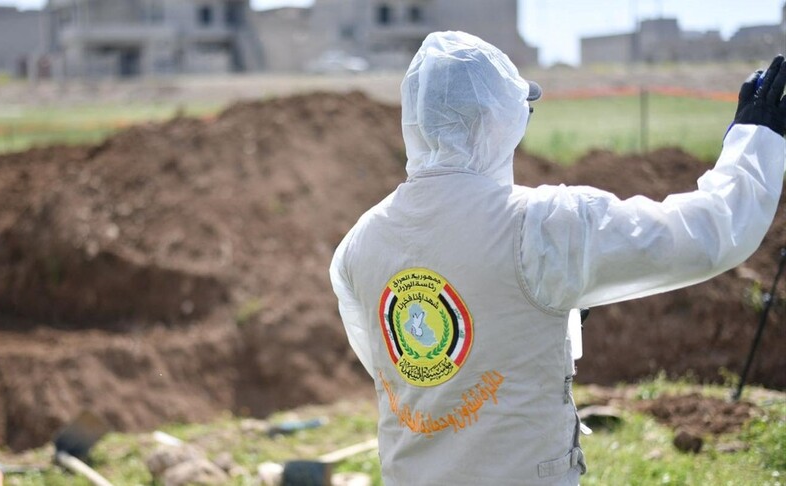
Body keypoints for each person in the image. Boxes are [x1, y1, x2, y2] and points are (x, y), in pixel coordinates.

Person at [329, 30, 785, 485]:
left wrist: (541, 321)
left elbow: (409, 373)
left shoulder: (359, 244)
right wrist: (756, 137)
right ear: (498, 121)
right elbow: (709, 233)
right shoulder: (544, 225)